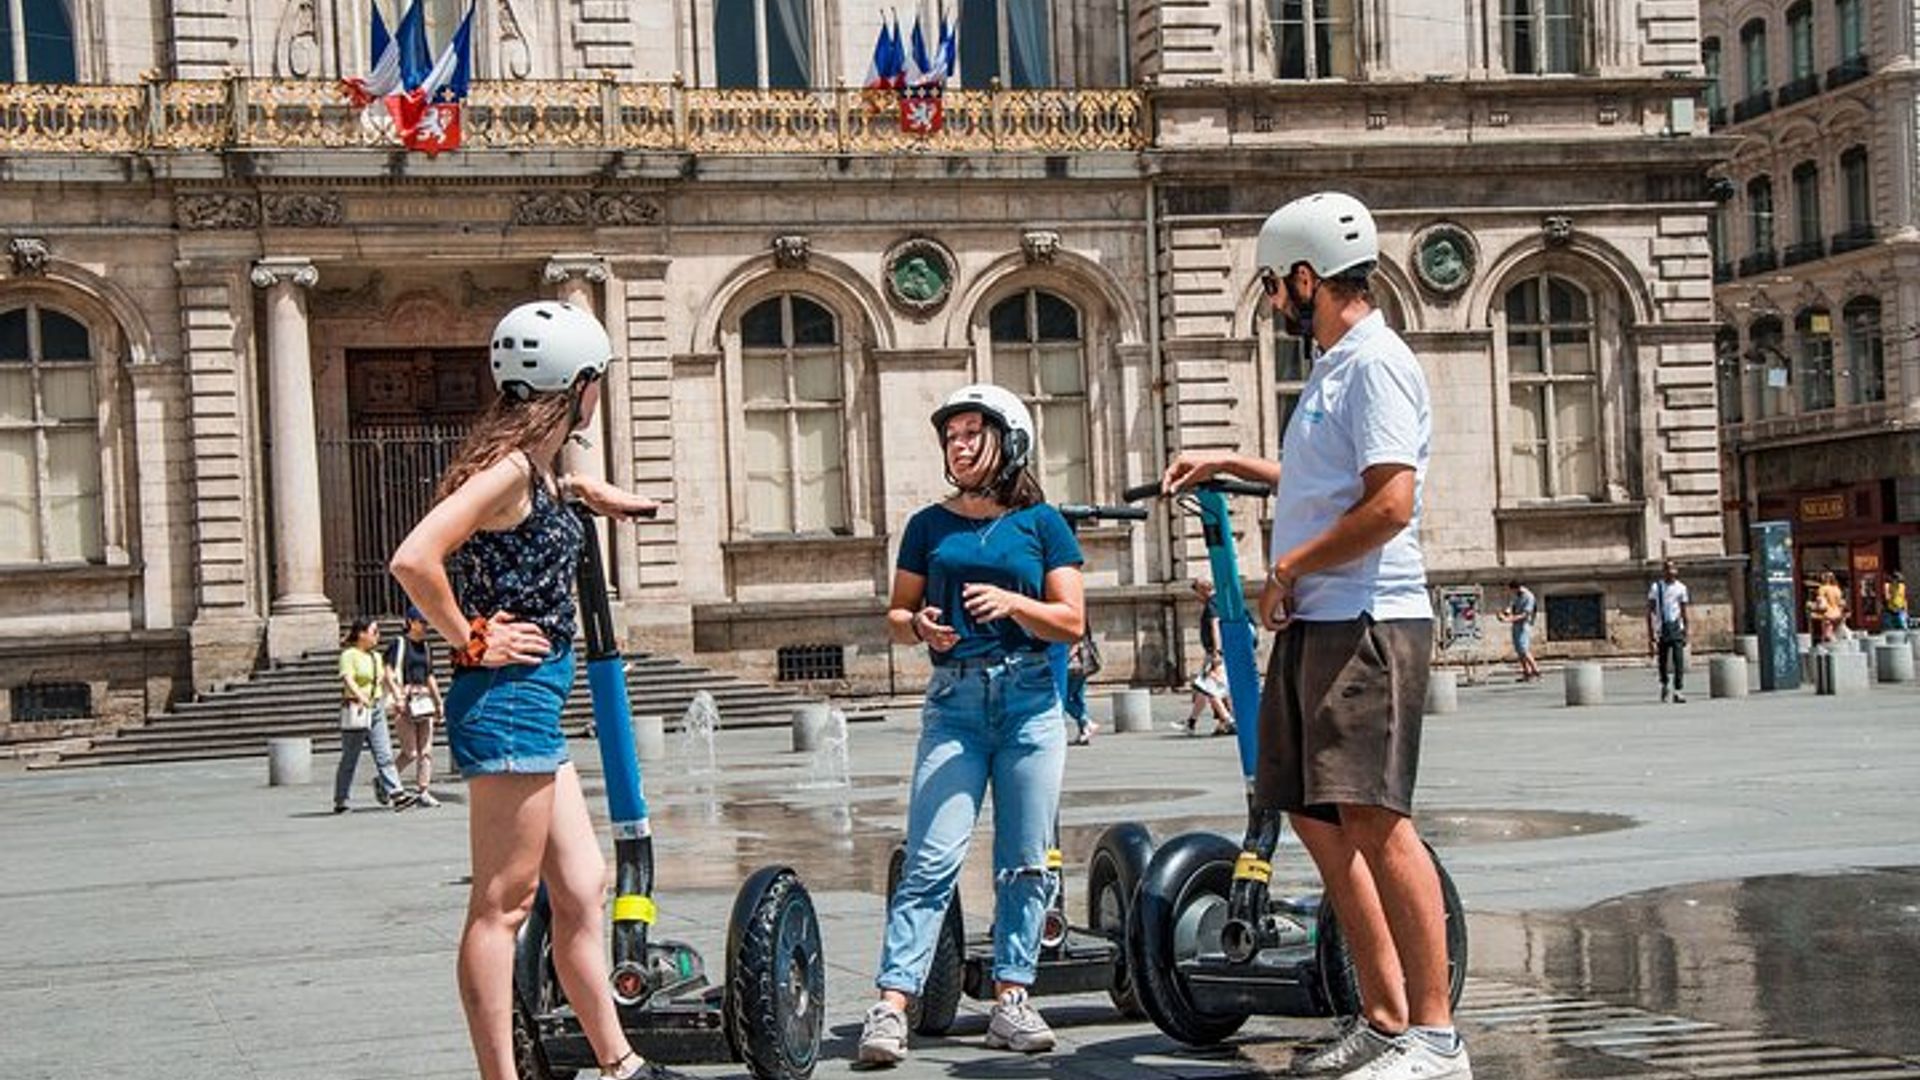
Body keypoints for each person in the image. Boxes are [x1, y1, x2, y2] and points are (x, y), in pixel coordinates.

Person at [1162, 192, 1470, 1080]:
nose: (1270, 303)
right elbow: (1316, 477)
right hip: (1322, 622)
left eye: (1273, 286)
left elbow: (1389, 504)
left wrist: (1290, 566)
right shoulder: (1336, 366)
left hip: (1366, 621)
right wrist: (1227, 461)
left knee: (1378, 820)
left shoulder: (1376, 365)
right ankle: (1381, 1016)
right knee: (1311, 810)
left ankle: (1437, 1037)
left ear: (1307, 277)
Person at [389, 301, 658, 1080]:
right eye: (597, 382)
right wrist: (470, 634)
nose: (599, 394)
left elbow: (521, 518)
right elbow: (414, 559)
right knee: (501, 907)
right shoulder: (509, 471)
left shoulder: (527, 469)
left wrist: (582, 496)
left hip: (534, 698)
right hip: (507, 697)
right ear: (576, 386)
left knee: (581, 886)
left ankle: (619, 1063)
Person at [857, 384, 1086, 1065]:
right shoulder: (929, 525)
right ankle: (891, 1005)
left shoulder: (1042, 524)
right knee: (930, 858)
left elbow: (1072, 620)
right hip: (954, 703)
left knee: (1023, 862)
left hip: (1029, 702)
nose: (957, 445)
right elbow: (897, 616)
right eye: (951, 435)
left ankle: (1012, 998)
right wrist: (919, 623)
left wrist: (1016, 602)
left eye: (970, 433)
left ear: (1008, 441)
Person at [334, 615, 414, 814]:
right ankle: (341, 798)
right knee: (350, 758)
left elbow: (383, 680)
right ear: (361, 634)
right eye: (374, 632)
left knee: (385, 754)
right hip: (356, 709)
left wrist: (397, 695)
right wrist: (360, 696)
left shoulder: (376, 657)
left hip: (375, 708)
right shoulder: (349, 655)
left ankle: (397, 794)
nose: (378, 636)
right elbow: (348, 679)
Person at [385, 606, 444, 807]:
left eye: (427, 622)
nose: (426, 626)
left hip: (424, 699)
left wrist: (438, 701)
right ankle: (386, 781)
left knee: (426, 750)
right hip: (406, 700)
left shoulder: (426, 647)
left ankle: (423, 791)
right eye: (422, 622)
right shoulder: (399, 644)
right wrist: (397, 695)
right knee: (410, 752)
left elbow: (429, 675)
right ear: (410, 622)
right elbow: (389, 672)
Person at [1183, 579, 1238, 736]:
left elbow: (1215, 626)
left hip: (1214, 653)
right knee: (1203, 688)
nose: (1197, 597)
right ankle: (1192, 722)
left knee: (1209, 688)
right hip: (1217, 652)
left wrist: (1216, 652)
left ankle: (1228, 721)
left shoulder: (1212, 604)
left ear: (1204, 590)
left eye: (1197, 593)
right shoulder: (1219, 601)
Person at [1647, 559, 1691, 704]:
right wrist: (1651, 634)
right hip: (1662, 627)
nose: (1670, 572)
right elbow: (1650, 611)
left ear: (1676, 571)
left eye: (1673, 569)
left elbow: (1684, 611)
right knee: (1663, 660)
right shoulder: (1656, 587)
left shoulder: (1681, 588)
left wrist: (1686, 631)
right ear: (1663, 571)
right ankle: (1665, 684)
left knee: (1679, 660)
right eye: (1667, 569)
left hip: (1676, 627)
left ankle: (1678, 690)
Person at [1495, 581, 1541, 682]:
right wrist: (1505, 613)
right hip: (1516, 624)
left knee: (1524, 649)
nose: (1510, 593)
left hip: (1525, 624)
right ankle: (1527, 673)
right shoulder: (1516, 595)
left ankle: (1536, 671)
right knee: (1519, 650)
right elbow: (1511, 607)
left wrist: (1509, 619)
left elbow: (1525, 614)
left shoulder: (1529, 596)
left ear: (1516, 588)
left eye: (1511, 590)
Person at [1065, 631, 1101, 745]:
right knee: (1078, 699)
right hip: (1083, 667)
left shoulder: (1072, 623)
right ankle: (1084, 733)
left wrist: (1064, 659)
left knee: (1062, 699)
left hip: (1072, 667)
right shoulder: (1082, 622)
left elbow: (1075, 644)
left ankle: (1086, 722)